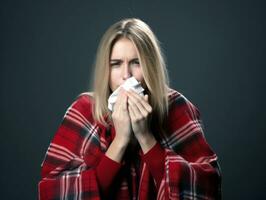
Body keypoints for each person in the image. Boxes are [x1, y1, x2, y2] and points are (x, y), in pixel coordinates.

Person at [38, 18, 222, 200]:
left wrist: (145, 136)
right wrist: (121, 140)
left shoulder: (176, 108)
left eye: (136, 62)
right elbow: (56, 191)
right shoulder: (84, 110)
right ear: (106, 70)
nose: (126, 75)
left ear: (150, 67)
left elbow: (205, 189)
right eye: (116, 64)